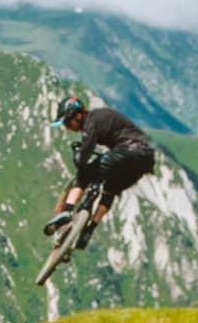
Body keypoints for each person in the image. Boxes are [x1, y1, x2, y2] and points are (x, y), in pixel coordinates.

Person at [44, 94, 157, 250]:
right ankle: (89, 229)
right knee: (110, 189)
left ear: (78, 115)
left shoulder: (91, 122)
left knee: (85, 174)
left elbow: (81, 161)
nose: (66, 127)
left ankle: (67, 212)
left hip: (128, 150)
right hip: (146, 158)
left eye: (67, 122)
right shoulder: (98, 117)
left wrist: (78, 152)